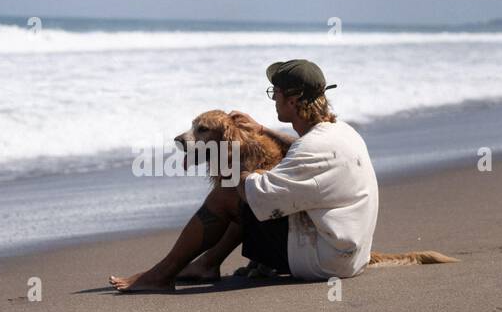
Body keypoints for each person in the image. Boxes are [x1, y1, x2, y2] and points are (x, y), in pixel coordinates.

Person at [110, 59, 379, 292]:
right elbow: (300, 146)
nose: (273, 98)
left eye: (276, 92)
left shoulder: (311, 149)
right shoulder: (340, 131)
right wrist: (262, 129)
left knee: (229, 194)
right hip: (348, 249)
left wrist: (232, 160)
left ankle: (160, 275)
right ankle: (206, 264)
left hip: (325, 261)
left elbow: (255, 194)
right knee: (246, 196)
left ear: (293, 100)